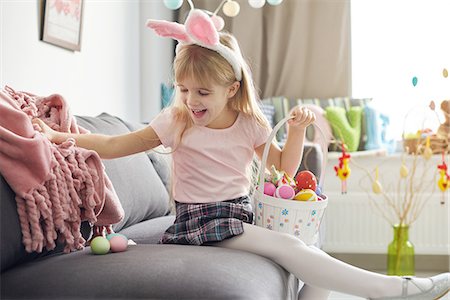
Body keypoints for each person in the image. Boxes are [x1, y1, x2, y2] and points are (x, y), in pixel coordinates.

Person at [33, 8, 449, 300]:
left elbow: (284, 170)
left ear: (231, 89)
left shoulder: (250, 124)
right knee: (297, 253)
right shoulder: (176, 121)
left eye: (203, 92)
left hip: (238, 214)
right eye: (184, 90)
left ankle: (384, 290)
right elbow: (113, 145)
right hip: (200, 222)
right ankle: (391, 289)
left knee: (312, 253)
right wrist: (56, 136)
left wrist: (300, 131)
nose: (192, 101)